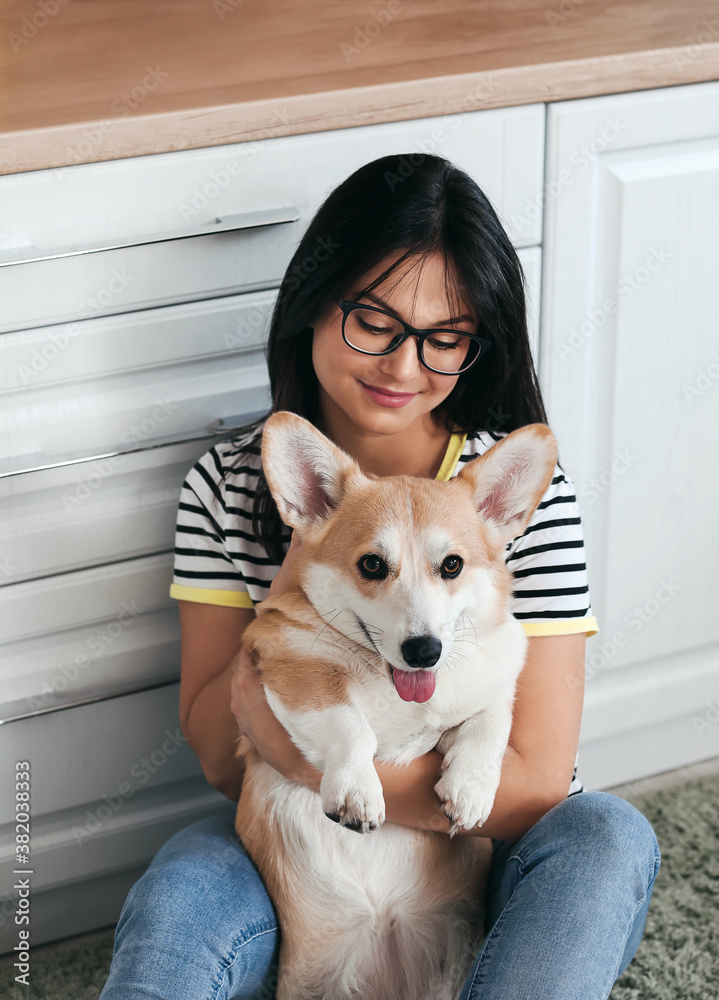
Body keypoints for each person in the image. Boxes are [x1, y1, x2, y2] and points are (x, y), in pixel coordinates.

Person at [99, 153, 660, 1000]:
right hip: (306, 863)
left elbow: (532, 786)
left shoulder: (505, 495)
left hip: (481, 856)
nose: (401, 365)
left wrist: (343, 775)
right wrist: (301, 576)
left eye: (444, 338)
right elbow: (222, 748)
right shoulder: (231, 480)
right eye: (373, 320)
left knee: (606, 834)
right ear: (311, 306)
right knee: (185, 879)